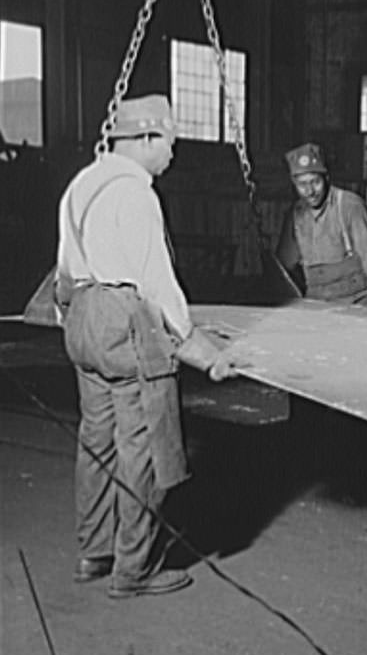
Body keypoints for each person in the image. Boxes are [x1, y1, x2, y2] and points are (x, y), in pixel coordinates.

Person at [56, 95, 239, 599]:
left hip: (83, 319)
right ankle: (134, 570)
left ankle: (94, 553)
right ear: (145, 138)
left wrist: (79, 325)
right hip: (127, 322)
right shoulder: (137, 194)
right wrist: (204, 351)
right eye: (169, 143)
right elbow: (156, 285)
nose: (173, 154)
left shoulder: (82, 183)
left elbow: (65, 270)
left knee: (97, 441)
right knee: (144, 448)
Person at [276, 142, 367, 304]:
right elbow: (284, 266)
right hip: (317, 302)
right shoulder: (296, 215)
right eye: (302, 185)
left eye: (315, 182)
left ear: (327, 178)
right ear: (294, 184)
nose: (310, 191)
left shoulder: (348, 205)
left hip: (357, 300)